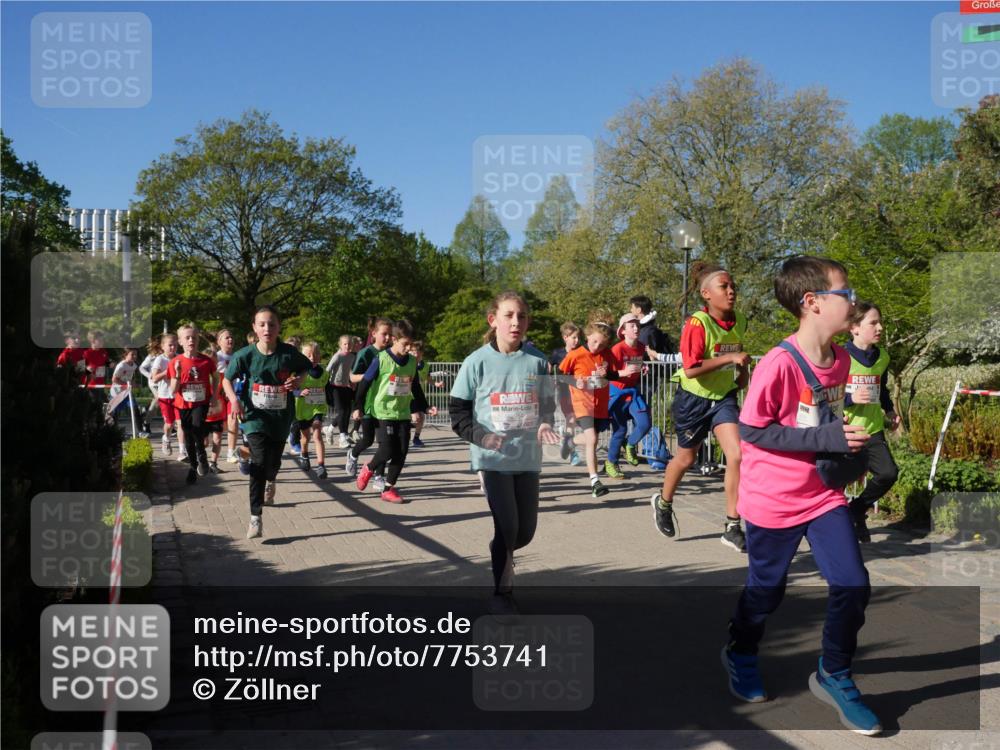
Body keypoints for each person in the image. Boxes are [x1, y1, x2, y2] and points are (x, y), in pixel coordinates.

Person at [723, 255, 879, 735]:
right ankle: (741, 650)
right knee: (766, 594)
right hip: (773, 500)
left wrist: (845, 433)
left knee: (853, 584)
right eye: (845, 294)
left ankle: (834, 673)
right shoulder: (778, 362)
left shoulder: (844, 357)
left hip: (822, 495)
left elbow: (820, 416)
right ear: (812, 303)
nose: (852, 301)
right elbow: (752, 431)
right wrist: (827, 440)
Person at [450, 291, 560, 614]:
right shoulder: (476, 362)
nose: (516, 322)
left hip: (527, 458)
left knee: (524, 532)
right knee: (508, 528)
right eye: (509, 315)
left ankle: (500, 549)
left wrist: (544, 424)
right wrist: (482, 438)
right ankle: (501, 593)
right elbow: (458, 414)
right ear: (493, 320)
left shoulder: (538, 361)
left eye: (522, 316)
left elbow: (548, 405)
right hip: (491, 459)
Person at [650, 262, 749, 552]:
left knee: (737, 454)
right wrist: (730, 360)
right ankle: (664, 502)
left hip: (723, 398)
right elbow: (691, 369)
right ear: (706, 294)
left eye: (733, 287)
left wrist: (743, 371)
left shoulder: (740, 320)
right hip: (693, 398)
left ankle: (732, 525)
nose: (731, 292)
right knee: (686, 458)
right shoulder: (697, 324)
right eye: (724, 287)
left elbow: (737, 356)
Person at [223, 306, 316, 539]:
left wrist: (297, 381)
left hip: (281, 417)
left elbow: (306, 367)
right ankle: (255, 517)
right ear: (254, 328)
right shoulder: (244, 355)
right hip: (254, 417)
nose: (267, 328)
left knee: (272, 464)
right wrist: (234, 400)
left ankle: (271, 479)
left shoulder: (287, 353)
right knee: (259, 461)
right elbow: (226, 379)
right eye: (262, 324)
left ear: (279, 327)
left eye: (272, 324)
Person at [353, 320, 434, 503]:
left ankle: (389, 489)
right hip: (382, 412)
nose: (408, 348)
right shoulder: (381, 359)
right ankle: (369, 468)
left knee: (402, 451)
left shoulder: (412, 362)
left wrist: (425, 406)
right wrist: (357, 406)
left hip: (402, 412)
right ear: (394, 340)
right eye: (405, 344)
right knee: (388, 448)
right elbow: (364, 383)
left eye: (411, 345)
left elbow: (415, 387)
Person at [844, 302, 900, 543]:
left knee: (888, 473)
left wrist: (889, 410)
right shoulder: (839, 357)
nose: (880, 327)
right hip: (844, 430)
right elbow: (825, 393)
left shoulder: (883, 357)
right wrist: (850, 398)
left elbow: (882, 388)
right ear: (854, 328)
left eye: (880, 322)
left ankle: (856, 510)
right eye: (873, 323)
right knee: (836, 482)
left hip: (873, 429)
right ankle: (838, 528)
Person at [559, 320, 631, 498]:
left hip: (600, 403)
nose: (597, 347)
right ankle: (595, 481)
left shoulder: (606, 354)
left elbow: (613, 373)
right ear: (587, 336)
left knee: (592, 439)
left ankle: (570, 442)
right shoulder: (576, 354)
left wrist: (615, 373)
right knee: (592, 439)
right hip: (582, 402)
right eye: (594, 342)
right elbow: (561, 375)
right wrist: (576, 381)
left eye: (602, 344)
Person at [605, 313, 652, 479]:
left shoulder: (640, 346)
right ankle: (611, 462)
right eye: (631, 325)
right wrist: (624, 372)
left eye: (637, 325)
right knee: (620, 429)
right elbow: (607, 373)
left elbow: (637, 363)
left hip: (632, 390)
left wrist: (643, 366)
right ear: (623, 331)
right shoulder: (617, 349)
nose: (636, 328)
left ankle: (630, 444)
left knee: (645, 423)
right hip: (617, 392)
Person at [168, 325, 216, 484]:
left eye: (194, 337)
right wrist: (176, 374)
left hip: (201, 402)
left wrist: (214, 395)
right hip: (183, 404)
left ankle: (202, 456)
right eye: (187, 338)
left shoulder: (206, 360)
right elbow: (174, 390)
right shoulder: (175, 361)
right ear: (180, 341)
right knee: (188, 435)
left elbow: (216, 377)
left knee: (197, 426)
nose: (191, 340)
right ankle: (193, 467)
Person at [346, 317, 392, 483]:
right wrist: (368, 375)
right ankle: (353, 454)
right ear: (374, 334)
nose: (387, 338)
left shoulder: (391, 353)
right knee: (367, 440)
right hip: (367, 403)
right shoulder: (365, 353)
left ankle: (378, 476)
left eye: (390, 335)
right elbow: (351, 376)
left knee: (384, 444)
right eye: (384, 334)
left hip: (385, 406)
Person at [295, 341, 331, 479]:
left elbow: (327, 389)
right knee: (305, 437)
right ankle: (304, 454)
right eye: (308, 355)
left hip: (318, 408)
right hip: (302, 409)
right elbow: (291, 390)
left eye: (315, 354)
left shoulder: (324, 374)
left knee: (317, 434)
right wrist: (299, 393)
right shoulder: (299, 373)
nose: (312, 357)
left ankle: (321, 465)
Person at [550, 322, 582, 466]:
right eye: (573, 337)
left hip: (581, 393)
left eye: (577, 337)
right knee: (570, 418)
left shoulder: (582, 352)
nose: (576, 340)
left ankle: (567, 442)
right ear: (565, 338)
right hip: (565, 392)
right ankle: (572, 451)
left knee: (578, 422)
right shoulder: (558, 353)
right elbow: (549, 367)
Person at [149, 333, 183, 457]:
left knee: (180, 423)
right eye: (170, 345)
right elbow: (154, 378)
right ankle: (166, 439)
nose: (173, 348)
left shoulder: (180, 357)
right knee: (169, 424)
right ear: (163, 346)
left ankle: (182, 451)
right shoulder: (160, 359)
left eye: (175, 345)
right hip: (165, 395)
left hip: (179, 395)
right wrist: (167, 371)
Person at [213, 329, 240, 464]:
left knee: (233, 421)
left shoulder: (238, 356)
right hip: (217, 394)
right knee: (220, 427)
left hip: (232, 394)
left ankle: (231, 452)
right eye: (227, 338)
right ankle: (211, 453)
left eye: (232, 337)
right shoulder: (215, 357)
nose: (230, 340)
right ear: (219, 342)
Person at [326, 335, 356, 449]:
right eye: (345, 344)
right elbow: (327, 370)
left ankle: (330, 429)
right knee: (341, 411)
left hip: (345, 386)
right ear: (340, 345)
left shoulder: (352, 356)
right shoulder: (337, 356)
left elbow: (348, 370)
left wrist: (351, 381)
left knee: (347, 411)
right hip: (334, 387)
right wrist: (324, 384)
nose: (347, 346)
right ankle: (342, 437)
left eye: (349, 344)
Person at [109, 348, 145, 435]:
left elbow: (130, 377)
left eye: (136, 355)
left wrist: (134, 383)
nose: (134, 357)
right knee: (115, 413)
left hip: (127, 392)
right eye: (132, 354)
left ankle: (140, 431)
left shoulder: (134, 365)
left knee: (135, 409)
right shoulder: (121, 366)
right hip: (117, 392)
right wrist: (126, 384)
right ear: (126, 355)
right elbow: (114, 379)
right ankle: (113, 431)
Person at [629, 295, 676, 362]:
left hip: (651, 371)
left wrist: (628, 361)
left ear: (639, 310)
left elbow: (644, 355)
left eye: (632, 307)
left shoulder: (648, 331)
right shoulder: (647, 329)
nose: (631, 310)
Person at [409, 340, 430, 447]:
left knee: (420, 417)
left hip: (418, 395)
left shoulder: (424, 366)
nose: (415, 354)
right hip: (406, 396)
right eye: (412, 351)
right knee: (415, 417)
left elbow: (426, 379)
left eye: (417, 351)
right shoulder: (407, 365)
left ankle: (416, 438)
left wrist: (436, 383)